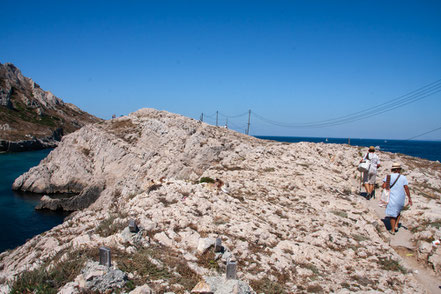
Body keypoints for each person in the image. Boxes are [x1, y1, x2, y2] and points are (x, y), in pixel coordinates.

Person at [382, 162, 412, 235]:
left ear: (393, 169)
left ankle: (392, 230)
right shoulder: (403, 177)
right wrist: (409, 198)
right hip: (401, 197)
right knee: (398, 211)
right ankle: (396, 225)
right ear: (399, 169)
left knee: (392, 214)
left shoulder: (388, 177)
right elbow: (406, 188)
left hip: (392, 196)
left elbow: (384, 186)